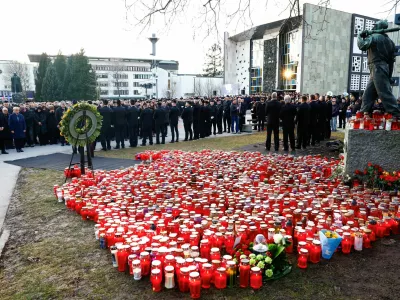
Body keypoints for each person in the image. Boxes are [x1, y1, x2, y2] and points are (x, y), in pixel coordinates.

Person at [358, 20, 400, 117]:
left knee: (384, 93)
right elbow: (391, 62)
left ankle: (396, 114)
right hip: (381, 68)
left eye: (374, 26)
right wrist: (388, 76)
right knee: (368, 93)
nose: (372, 28)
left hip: (377, 67)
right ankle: (364, 112)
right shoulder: (391, 42)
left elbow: (362, 45)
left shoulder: (374, 37)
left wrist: (360, 36)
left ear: (379, 27)